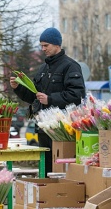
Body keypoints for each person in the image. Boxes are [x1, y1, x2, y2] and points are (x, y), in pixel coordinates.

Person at [10, 28, 86, 174]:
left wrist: (50, 99)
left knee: (60, 170)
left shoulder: (70, 66)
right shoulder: (43, 69)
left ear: (57, 44)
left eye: (46, 45)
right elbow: (33, 96)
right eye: (41, 45)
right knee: (45, 169)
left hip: (62, 131)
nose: (43, 49)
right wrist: (18, 87)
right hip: (43, 128)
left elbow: (77, 95)